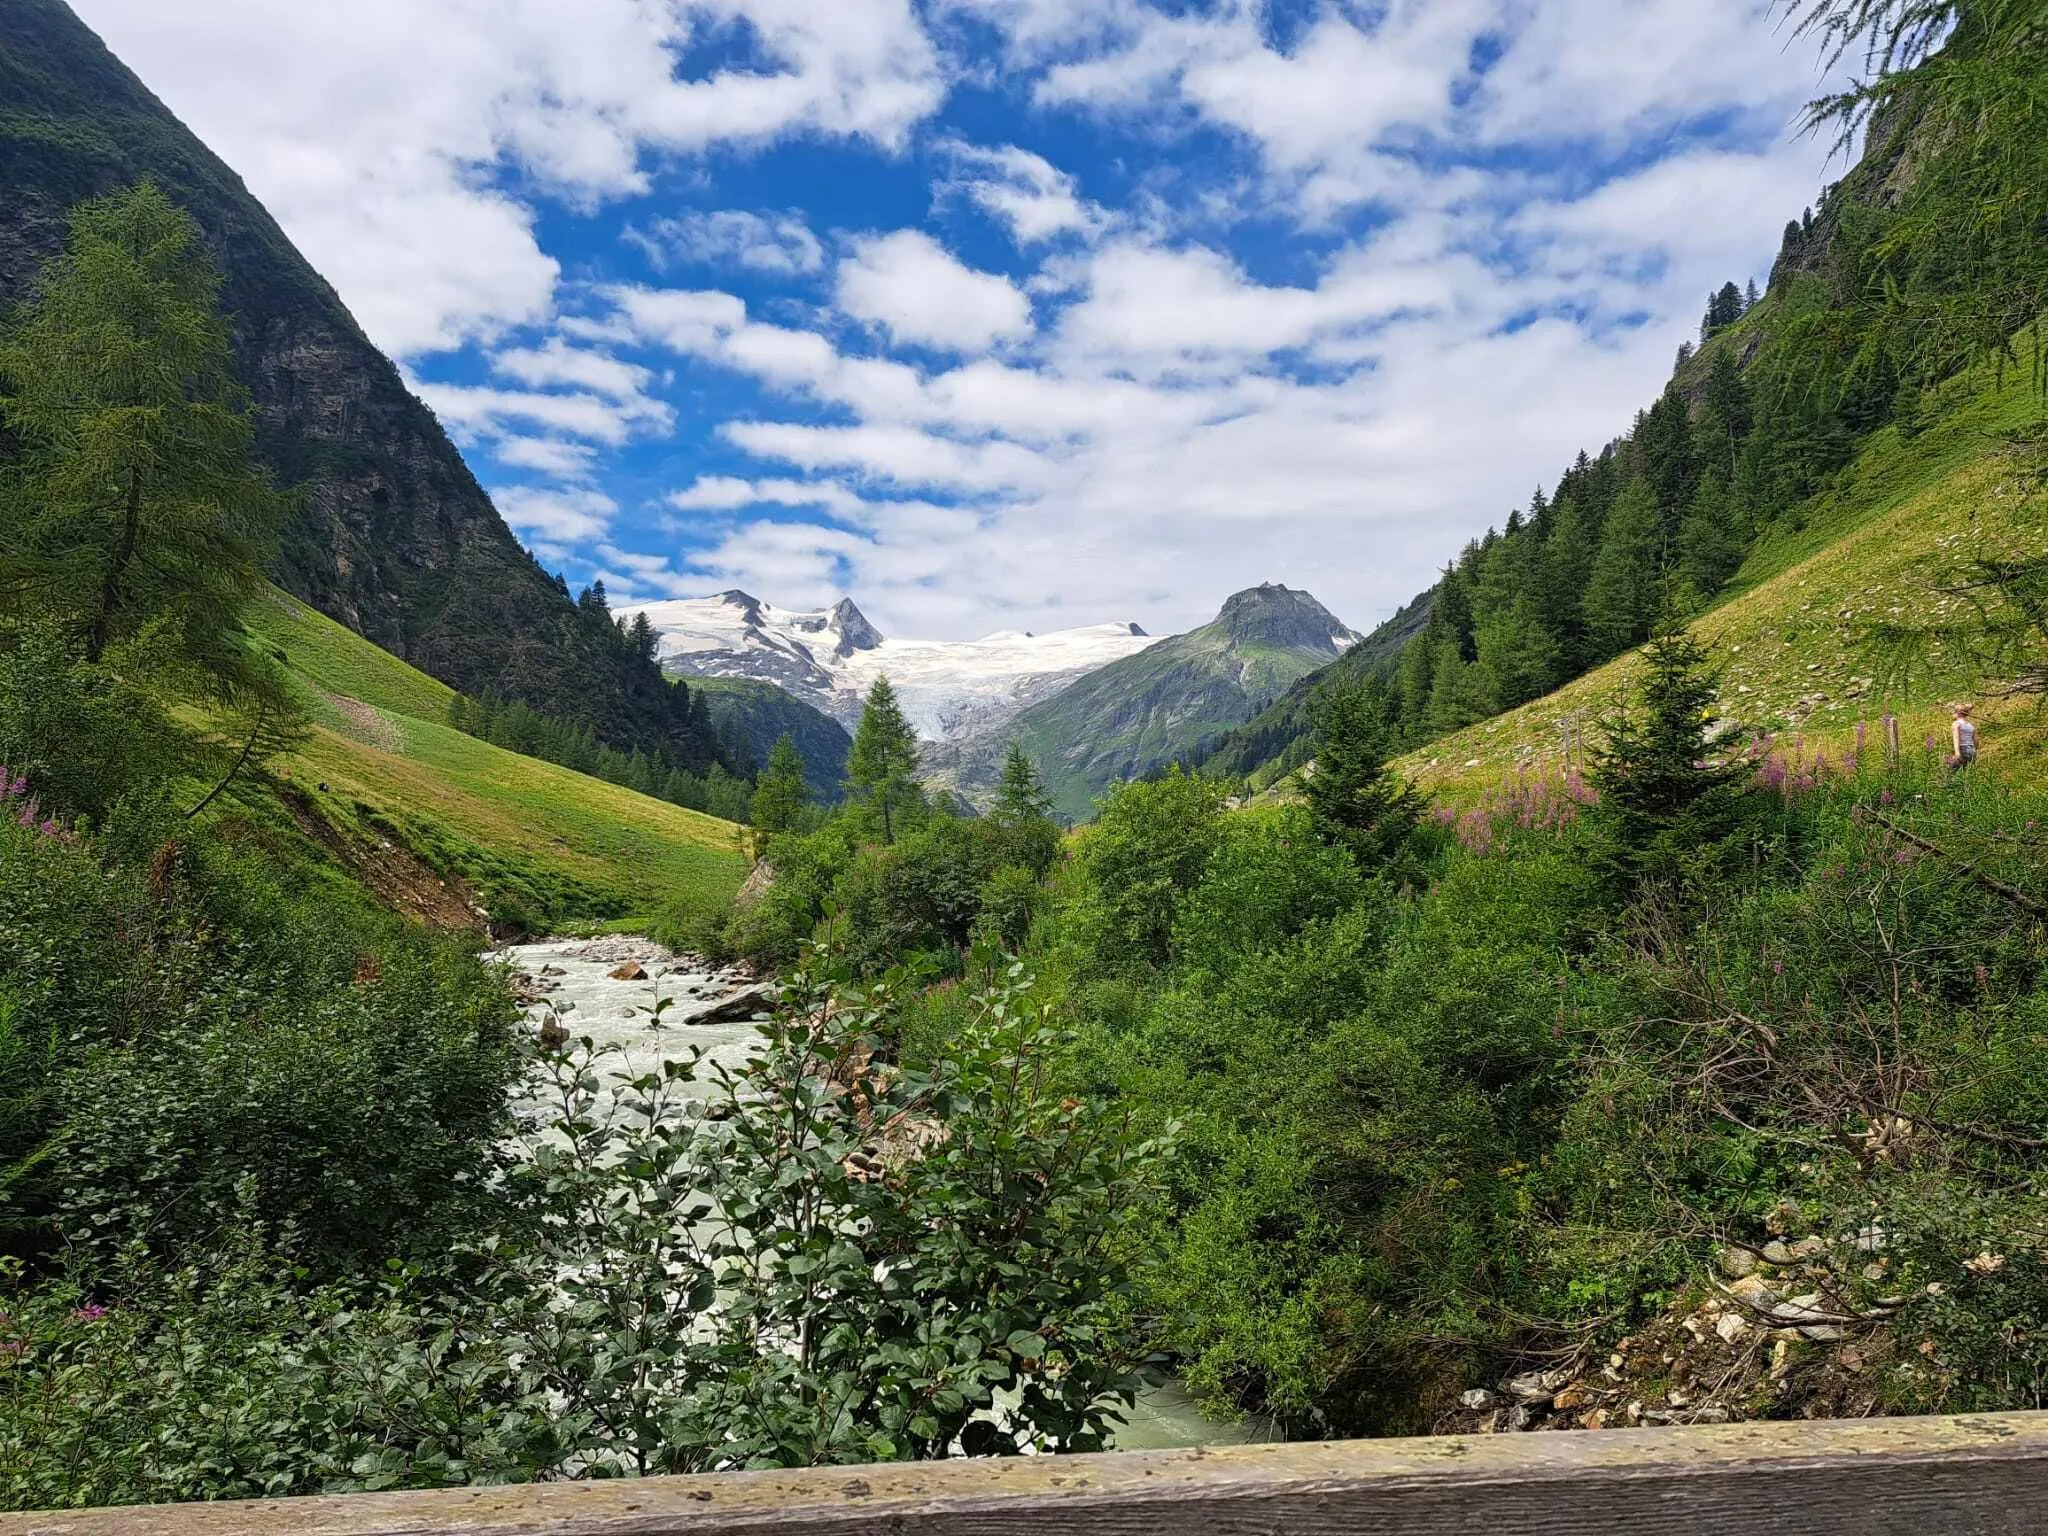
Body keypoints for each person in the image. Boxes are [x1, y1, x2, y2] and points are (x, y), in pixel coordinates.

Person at [1950, 703, 1979, 769]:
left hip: (1962, 749)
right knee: (1967, 770)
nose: (1952, 714)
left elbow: (1956, 737)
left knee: (1952, 771)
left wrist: (1957, 752)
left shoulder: (1956, 724)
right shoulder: (1971, 726)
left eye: (1954, 712)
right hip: (1971, 750)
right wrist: (1974, 750)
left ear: (1958, 713)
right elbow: (1976, 740)